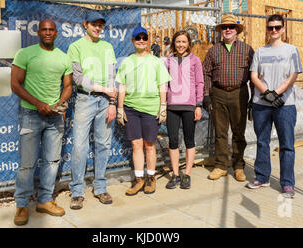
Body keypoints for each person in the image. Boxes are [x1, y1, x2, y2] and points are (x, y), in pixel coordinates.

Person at [11, 19, 73, 226]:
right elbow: (15, 84)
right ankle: (22, 204)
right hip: (31, 114)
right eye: (44, 30)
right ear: (38, 32)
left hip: (55, 117)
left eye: (51, 30)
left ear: (56, 33)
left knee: (52, 161)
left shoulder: (64, 58)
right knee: (27, 165)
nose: (48, 33)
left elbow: (68, 86)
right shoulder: (25, 54)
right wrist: (38, 103)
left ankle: (45, 200)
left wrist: (60, 103)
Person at [246, 14, 302, 198]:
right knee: (262, 141)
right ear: (267, 29)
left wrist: (276, 93)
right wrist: (266, 93)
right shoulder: (261, 52)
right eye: (271, 27)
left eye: (278, 27)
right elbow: (254, 76)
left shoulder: (291, 50)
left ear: (283, 29)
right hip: (261, 104)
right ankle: (262, 177)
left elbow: (293, 75)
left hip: (285, 104)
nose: (274, 30)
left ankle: (287, 183)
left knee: (287, 145)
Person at [67, 11, 117, 210]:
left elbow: (112, 76)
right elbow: (77, 78)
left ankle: (100, 187)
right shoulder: (75, 46)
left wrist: (112, 101)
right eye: (94, 24)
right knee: (80, 146)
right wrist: (103, 89)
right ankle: (77, 191)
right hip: (85, 100)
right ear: (85, 24)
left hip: (106, 102)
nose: (98, 28)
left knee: (103, 145)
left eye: (101, 25)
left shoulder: (107, 46)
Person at [116, 26, 171, 196]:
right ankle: (139, 179)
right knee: (136, 144)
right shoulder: (127, 62)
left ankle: (151, 178)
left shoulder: (156, 61)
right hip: (131, 108)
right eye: (137, 38)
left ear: (147, 41)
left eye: (144, 37)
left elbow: (163, 85)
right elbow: (122, 86)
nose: (141, 40)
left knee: (149, 145)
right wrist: (119, 108)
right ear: (132, 41)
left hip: (150, 108)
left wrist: (163, 106)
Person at [202, 13, 254, 182]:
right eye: (224, 27)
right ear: (221, 30)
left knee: (239, 132)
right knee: (221, 132)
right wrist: (206, 95)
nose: (228, 30)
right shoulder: (213, 50)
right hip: (218, 94)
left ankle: (238, 166)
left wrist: (254, 98)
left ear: (236, 30)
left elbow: (254, 75)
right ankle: (221, 165)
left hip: (239, 93)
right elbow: (206, 74)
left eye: (231, 27)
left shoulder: (247, 50)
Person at [164, 30, 204, 189]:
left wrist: (198, 105)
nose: (181, 45)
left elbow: (200, 83)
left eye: (184, 42)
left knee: (189, 140)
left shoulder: (195, 61)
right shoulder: (168, 61)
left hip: (189, 105)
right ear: (174, 43)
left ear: (188, 44)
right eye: (178, 42)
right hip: (172, 105)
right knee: (173, 140)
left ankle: (186, 174)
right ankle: (175, 174)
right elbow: (164, 84)